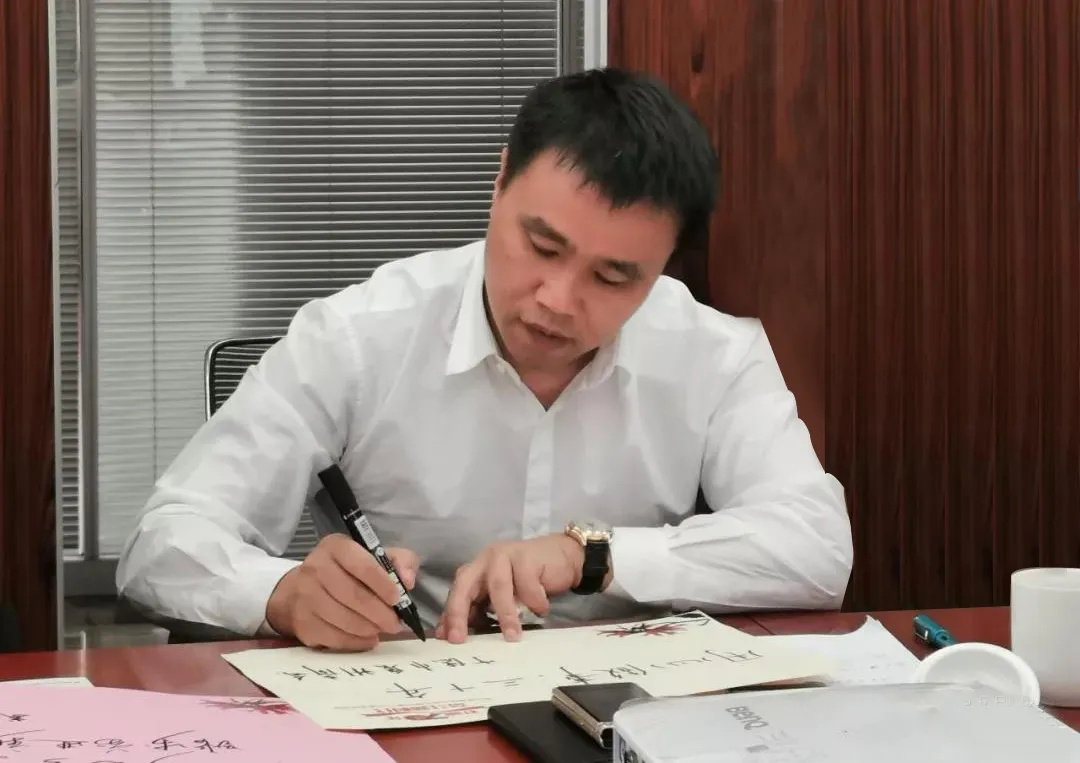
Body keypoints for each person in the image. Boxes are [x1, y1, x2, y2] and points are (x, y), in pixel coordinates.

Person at [116, 67, 853, 653]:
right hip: (406, 696)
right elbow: (164, 543)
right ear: (499, 181)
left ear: (663, 266)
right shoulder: (357, 336)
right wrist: (281, 594)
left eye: (613, 277)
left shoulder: (715, 355)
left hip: (625, 708)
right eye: (542, 245)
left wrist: (591, 556)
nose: (558, 300)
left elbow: (816, 548)